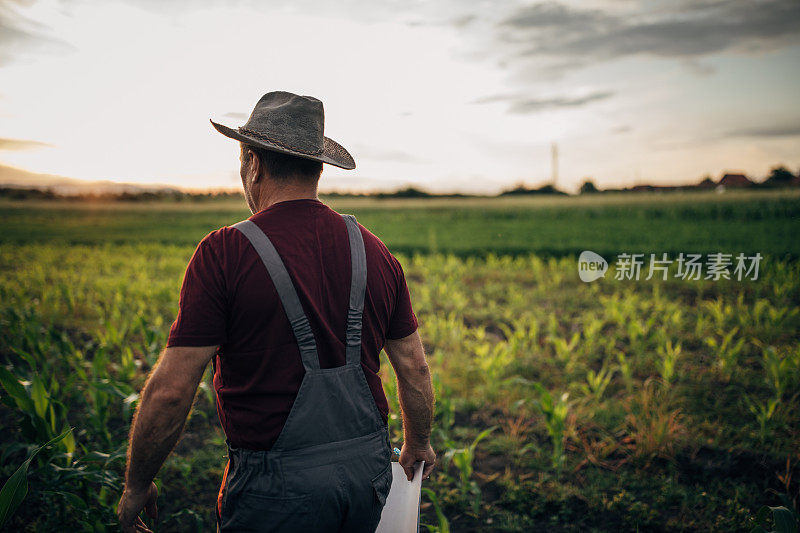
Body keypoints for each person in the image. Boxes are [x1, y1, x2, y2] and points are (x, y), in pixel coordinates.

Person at [117, 91, 436, 532]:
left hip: (275, 491)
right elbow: (415, 367)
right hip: (368, 475)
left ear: (253, 162)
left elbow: (172, 390)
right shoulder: (375, 251)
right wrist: (417, 443)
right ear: (318, 167)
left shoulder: (224, 252)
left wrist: (138, 483)